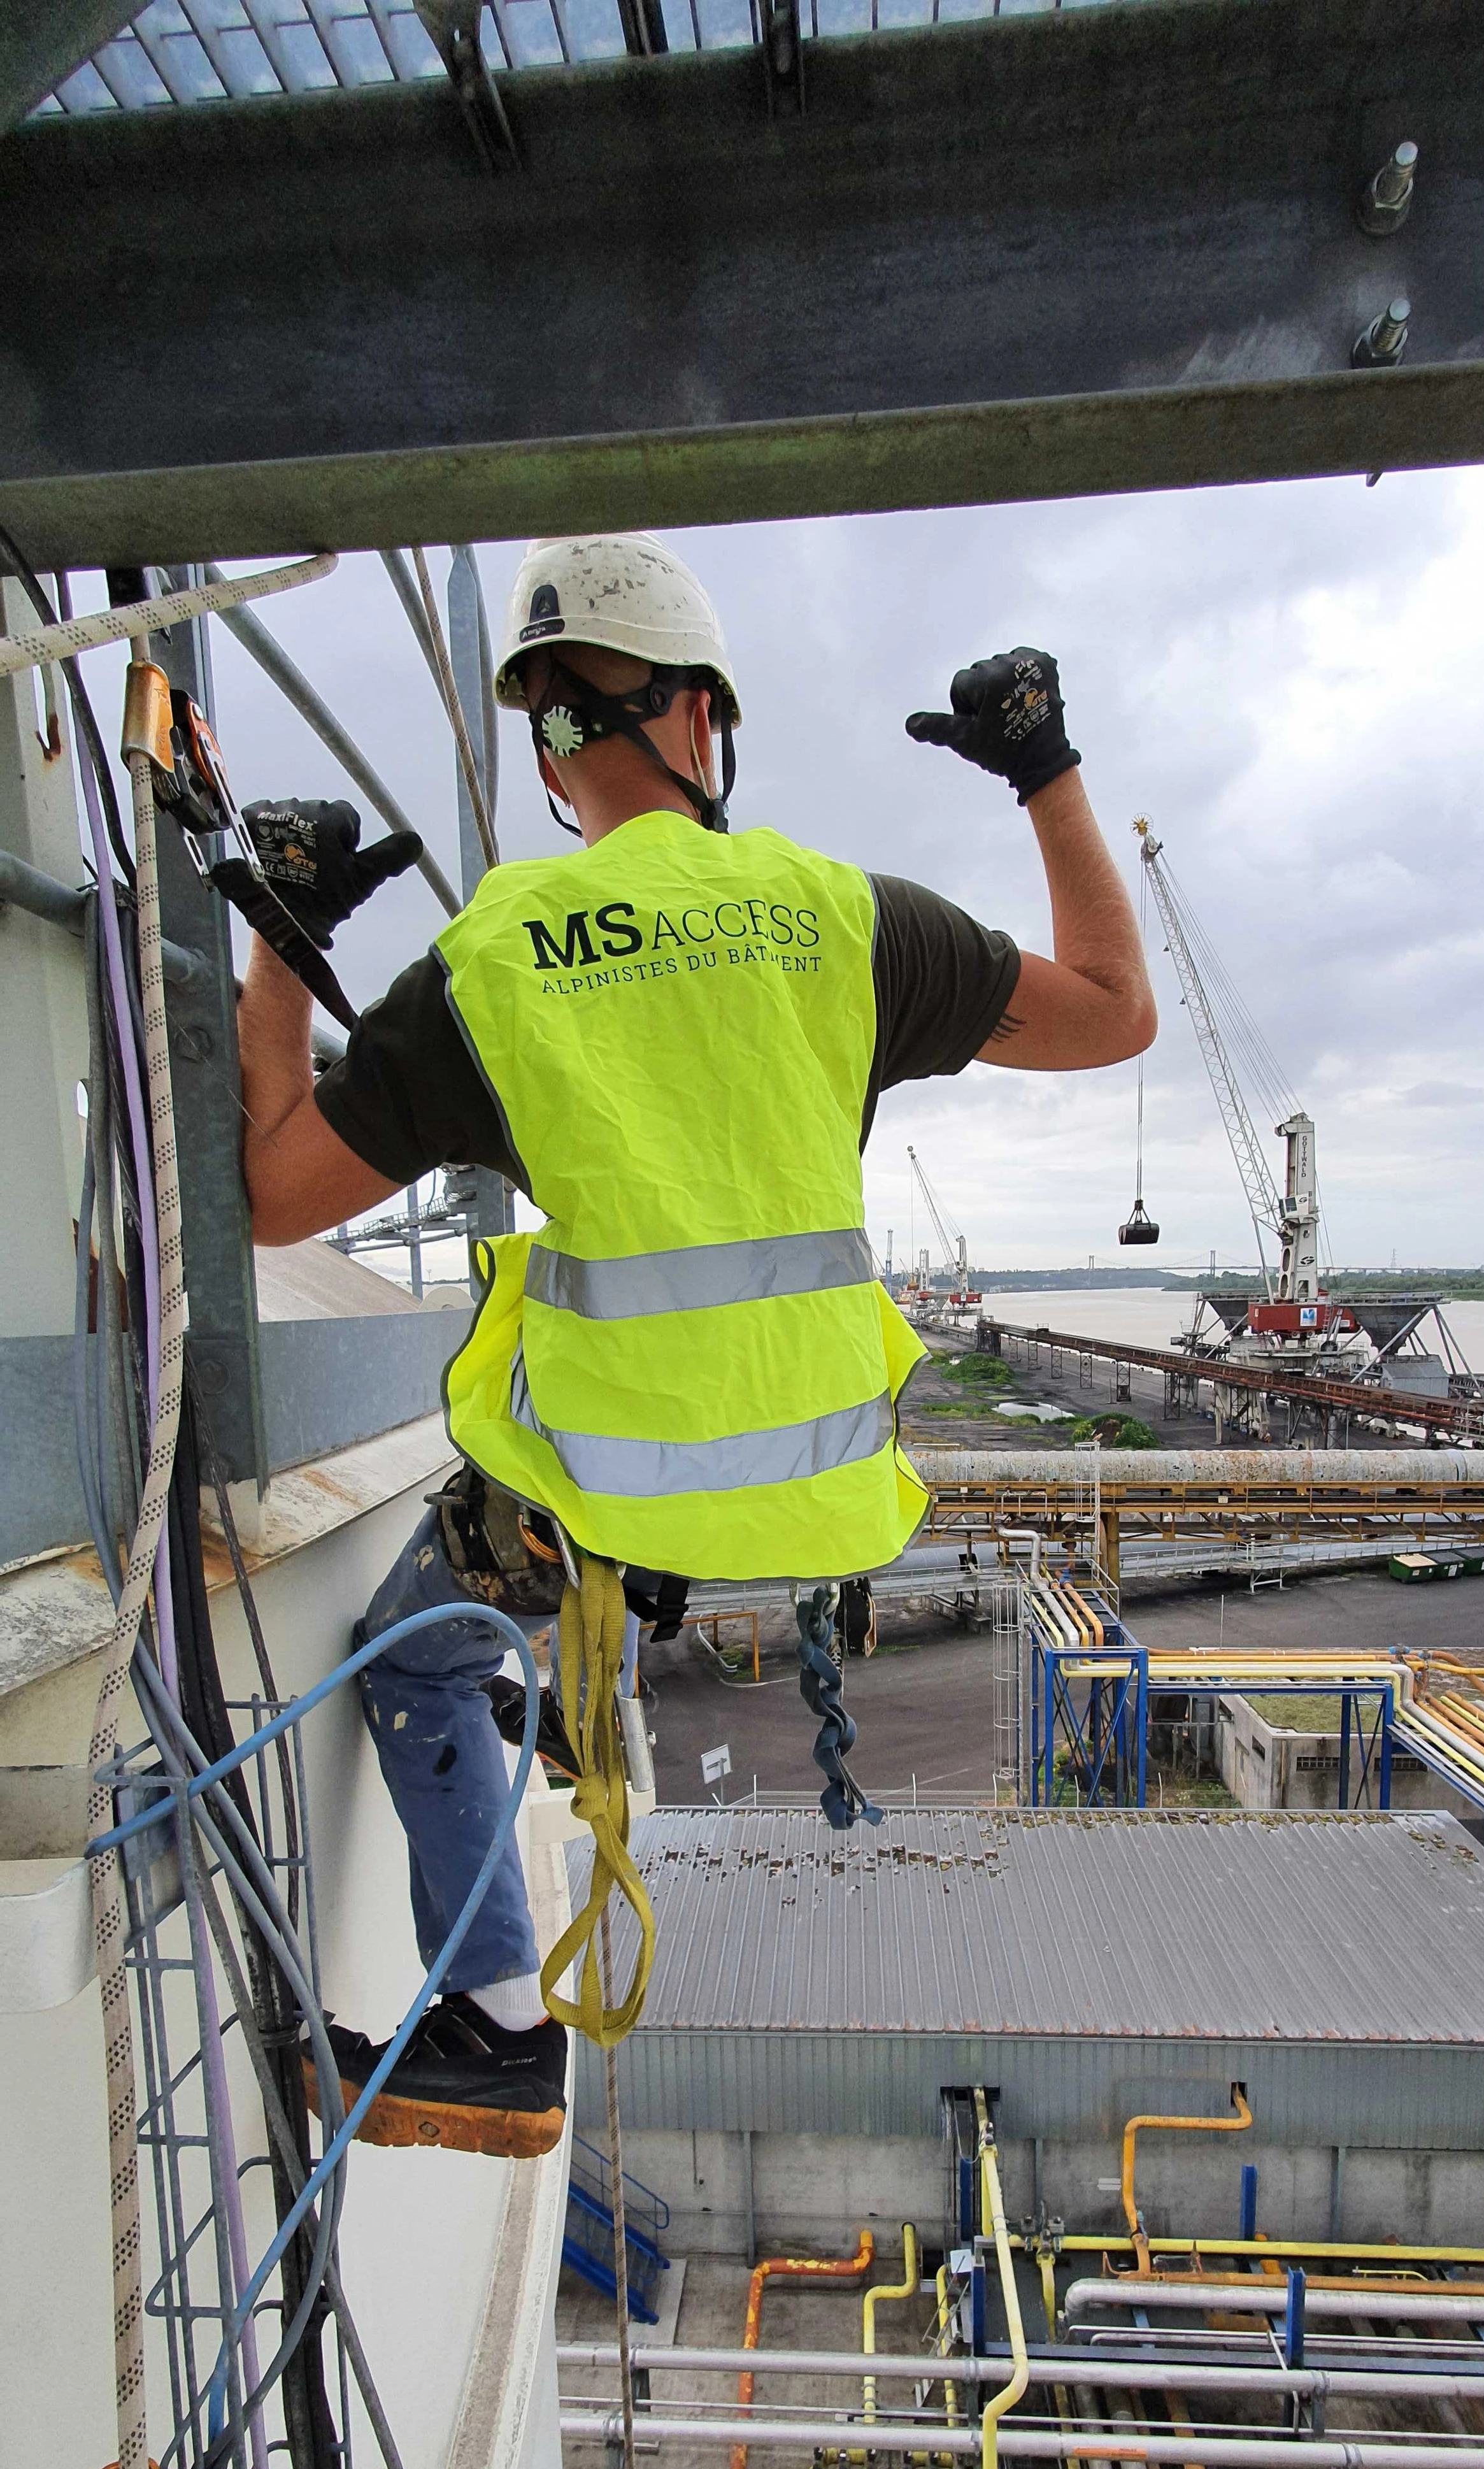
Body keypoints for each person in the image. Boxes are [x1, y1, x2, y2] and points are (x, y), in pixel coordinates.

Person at [229, 532, 1155, 2160]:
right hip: (825, 1493)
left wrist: (278, 933)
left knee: (424, 1647)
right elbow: (1109, 1005)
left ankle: (501, 2035)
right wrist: (1039, 763)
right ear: (701, 719)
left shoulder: (498, 962)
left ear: (549, 751)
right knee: (519, 1610)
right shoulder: (841, 922)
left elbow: (274, 1195)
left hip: (596, 1499)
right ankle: (567, 1738)